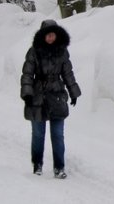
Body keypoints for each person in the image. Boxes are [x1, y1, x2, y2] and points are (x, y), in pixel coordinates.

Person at [20, 19, 82, 179]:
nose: (50, 38)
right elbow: (27, 74)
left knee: (58, 134)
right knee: (38, 134)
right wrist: (27, 94)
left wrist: (73, 92)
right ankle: (37, 164)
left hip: (57, 96)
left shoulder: (62, 52)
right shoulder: (34, 51)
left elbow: (68, 73)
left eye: (53, 35)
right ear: (42, 36)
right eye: (48, 35)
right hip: (38, 96)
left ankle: (59, 167)